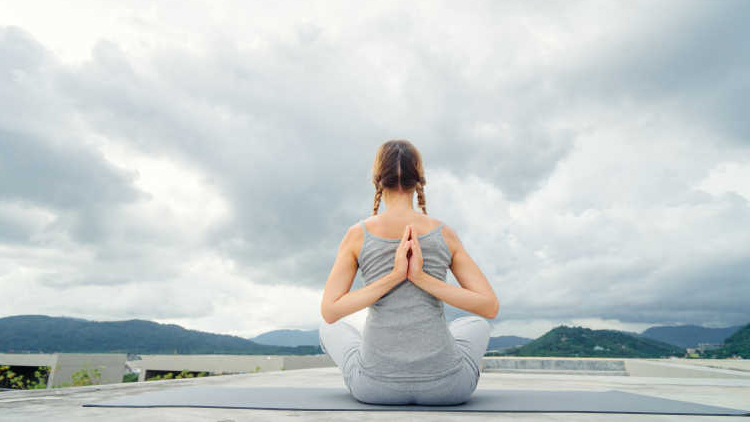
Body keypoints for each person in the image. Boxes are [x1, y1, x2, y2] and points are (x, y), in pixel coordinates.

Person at [319, 139, 499, 405]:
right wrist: (420, 278)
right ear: (419, 179)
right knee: (476, 324)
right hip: (448, 388)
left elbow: (331, 312)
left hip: (374, 387)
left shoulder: (357, 235)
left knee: (327, 328)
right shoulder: (444, 233)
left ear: (378, 178)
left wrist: (394, 277)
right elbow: (489, 307)